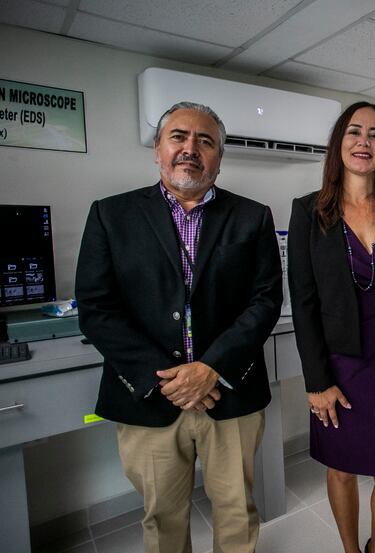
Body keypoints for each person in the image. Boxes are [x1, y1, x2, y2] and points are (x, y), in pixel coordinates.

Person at [76, 102, 282, 553]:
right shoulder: (111, 215)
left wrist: (211, 367)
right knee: (162, 519)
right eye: (179, 137)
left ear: (219, 157)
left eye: (205, 141)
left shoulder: (253, 217)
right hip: (150, 397)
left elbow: (265, 301)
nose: (191, 149)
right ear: (157, 150)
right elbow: (96, 308)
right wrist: (168, 380)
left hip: (230, 392)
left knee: (236, 511)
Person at [288, 101, 375, 553]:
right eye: (354, 132)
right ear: (339, 143)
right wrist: (316, 380)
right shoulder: (309, 211)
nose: (364, 142)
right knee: (341, 469)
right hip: (338, 363)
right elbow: (303, 302)